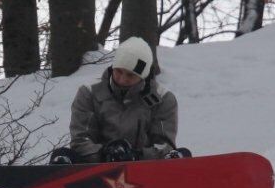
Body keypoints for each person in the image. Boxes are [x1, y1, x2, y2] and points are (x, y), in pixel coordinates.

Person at [50, 37, 189, 164]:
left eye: (130, 75)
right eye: (119, 71)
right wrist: (105, 152)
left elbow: (164, 145)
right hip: (95, 166)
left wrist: (137, 155)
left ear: (143, 76)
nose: (123, 79)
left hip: (145, 168)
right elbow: (80, 140)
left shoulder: (162, 99)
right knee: (61, 157)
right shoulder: (89, 93)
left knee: (182, 155)